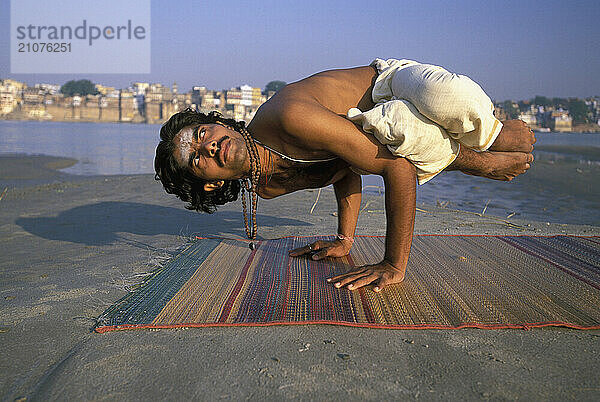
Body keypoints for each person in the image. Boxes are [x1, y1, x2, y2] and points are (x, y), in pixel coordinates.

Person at [154, 58, 535, 292]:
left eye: (203, 134)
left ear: (221, 124)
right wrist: (345, 239)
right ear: (211, 183)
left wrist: (393, 264)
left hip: (388, 83)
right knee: (405, 133)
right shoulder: (265, 188)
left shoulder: (288, 119)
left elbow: (394, 168)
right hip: (377, 126)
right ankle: (476, 157)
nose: (210, 146)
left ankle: (498, 141)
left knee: (448, 101)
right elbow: (341, 171)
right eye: (199, 158)